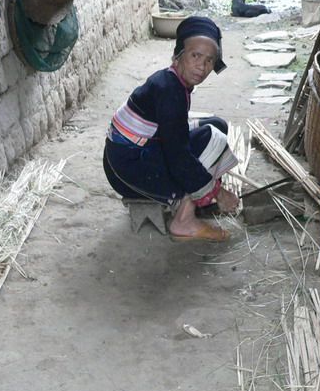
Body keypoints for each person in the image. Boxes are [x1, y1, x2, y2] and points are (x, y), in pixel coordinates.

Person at [103, 16, 240, 242]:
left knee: (217, 125)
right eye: (195, 55)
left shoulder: (172, 81)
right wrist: (219, 192)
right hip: (129, 172)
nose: (202, 66)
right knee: (213, 138)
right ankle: (184, 221)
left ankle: (197, 198)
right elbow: (178, 156)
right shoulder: (168, 91)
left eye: (209, 60)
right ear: (177, 56)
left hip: (133, 155)